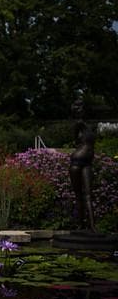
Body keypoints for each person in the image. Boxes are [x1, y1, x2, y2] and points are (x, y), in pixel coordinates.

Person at [69, 97, 96, 231]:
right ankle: (82, 225)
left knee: (87, 194)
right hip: (77, 162)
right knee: (80, 195)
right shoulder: (79, 124)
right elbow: (76, 141)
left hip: (87, 162)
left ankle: (91, 226)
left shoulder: (89, 125)